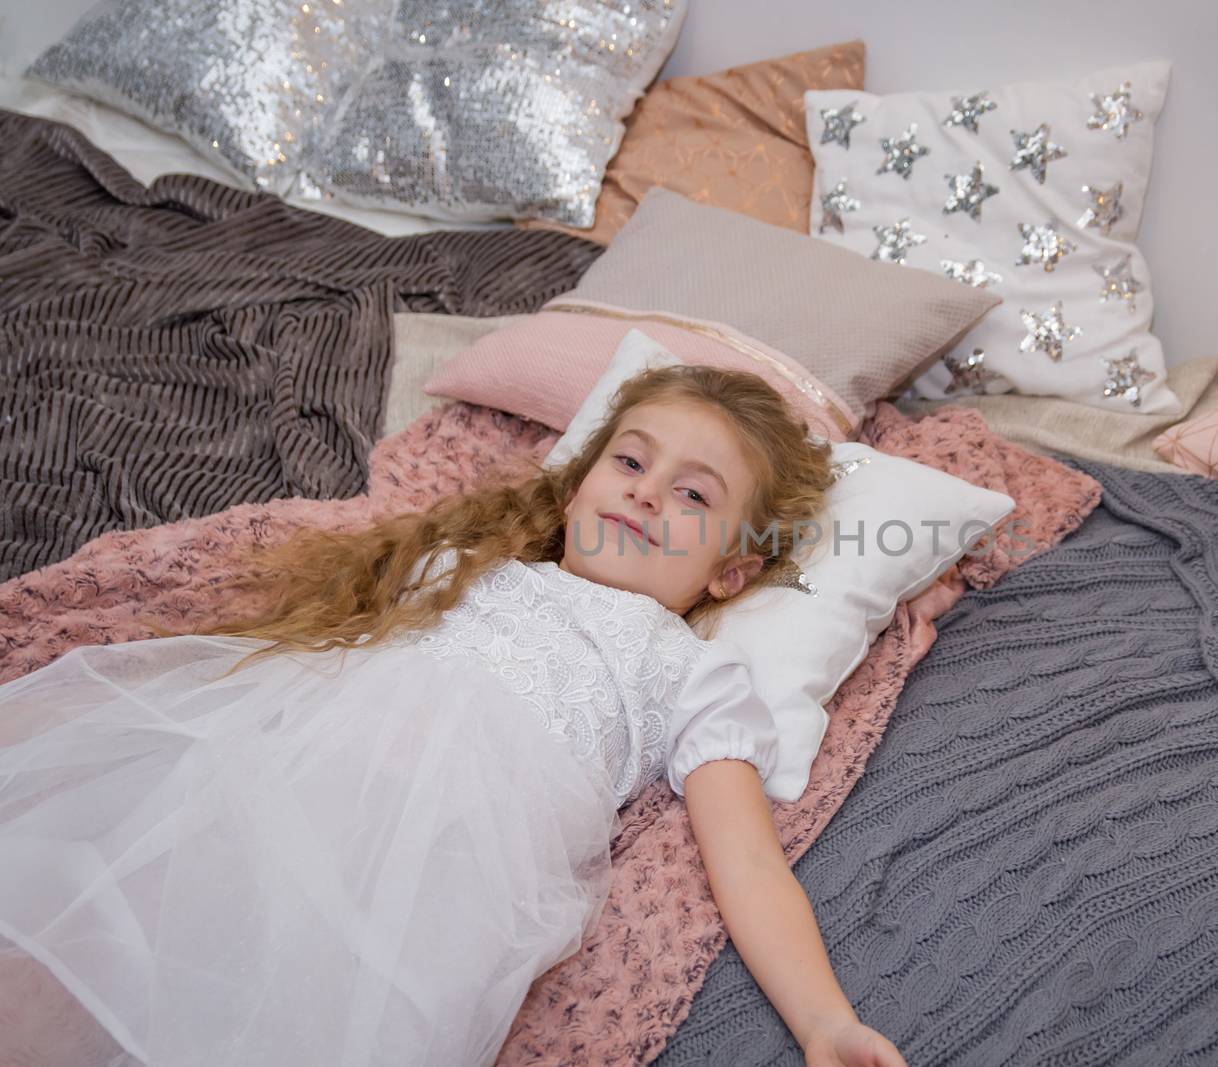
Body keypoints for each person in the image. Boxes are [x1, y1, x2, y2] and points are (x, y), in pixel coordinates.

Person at [0, 366, 908, 1067]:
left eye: (694, 495)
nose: (644, 492)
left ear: (729, 574)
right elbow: (324, 650)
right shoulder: (474, 567)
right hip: (280, 769)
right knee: (102, 924)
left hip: (439, 867)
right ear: (582, 481)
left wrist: (825, 1019)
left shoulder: (688, 669)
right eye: (631, 461)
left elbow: (748, 860)